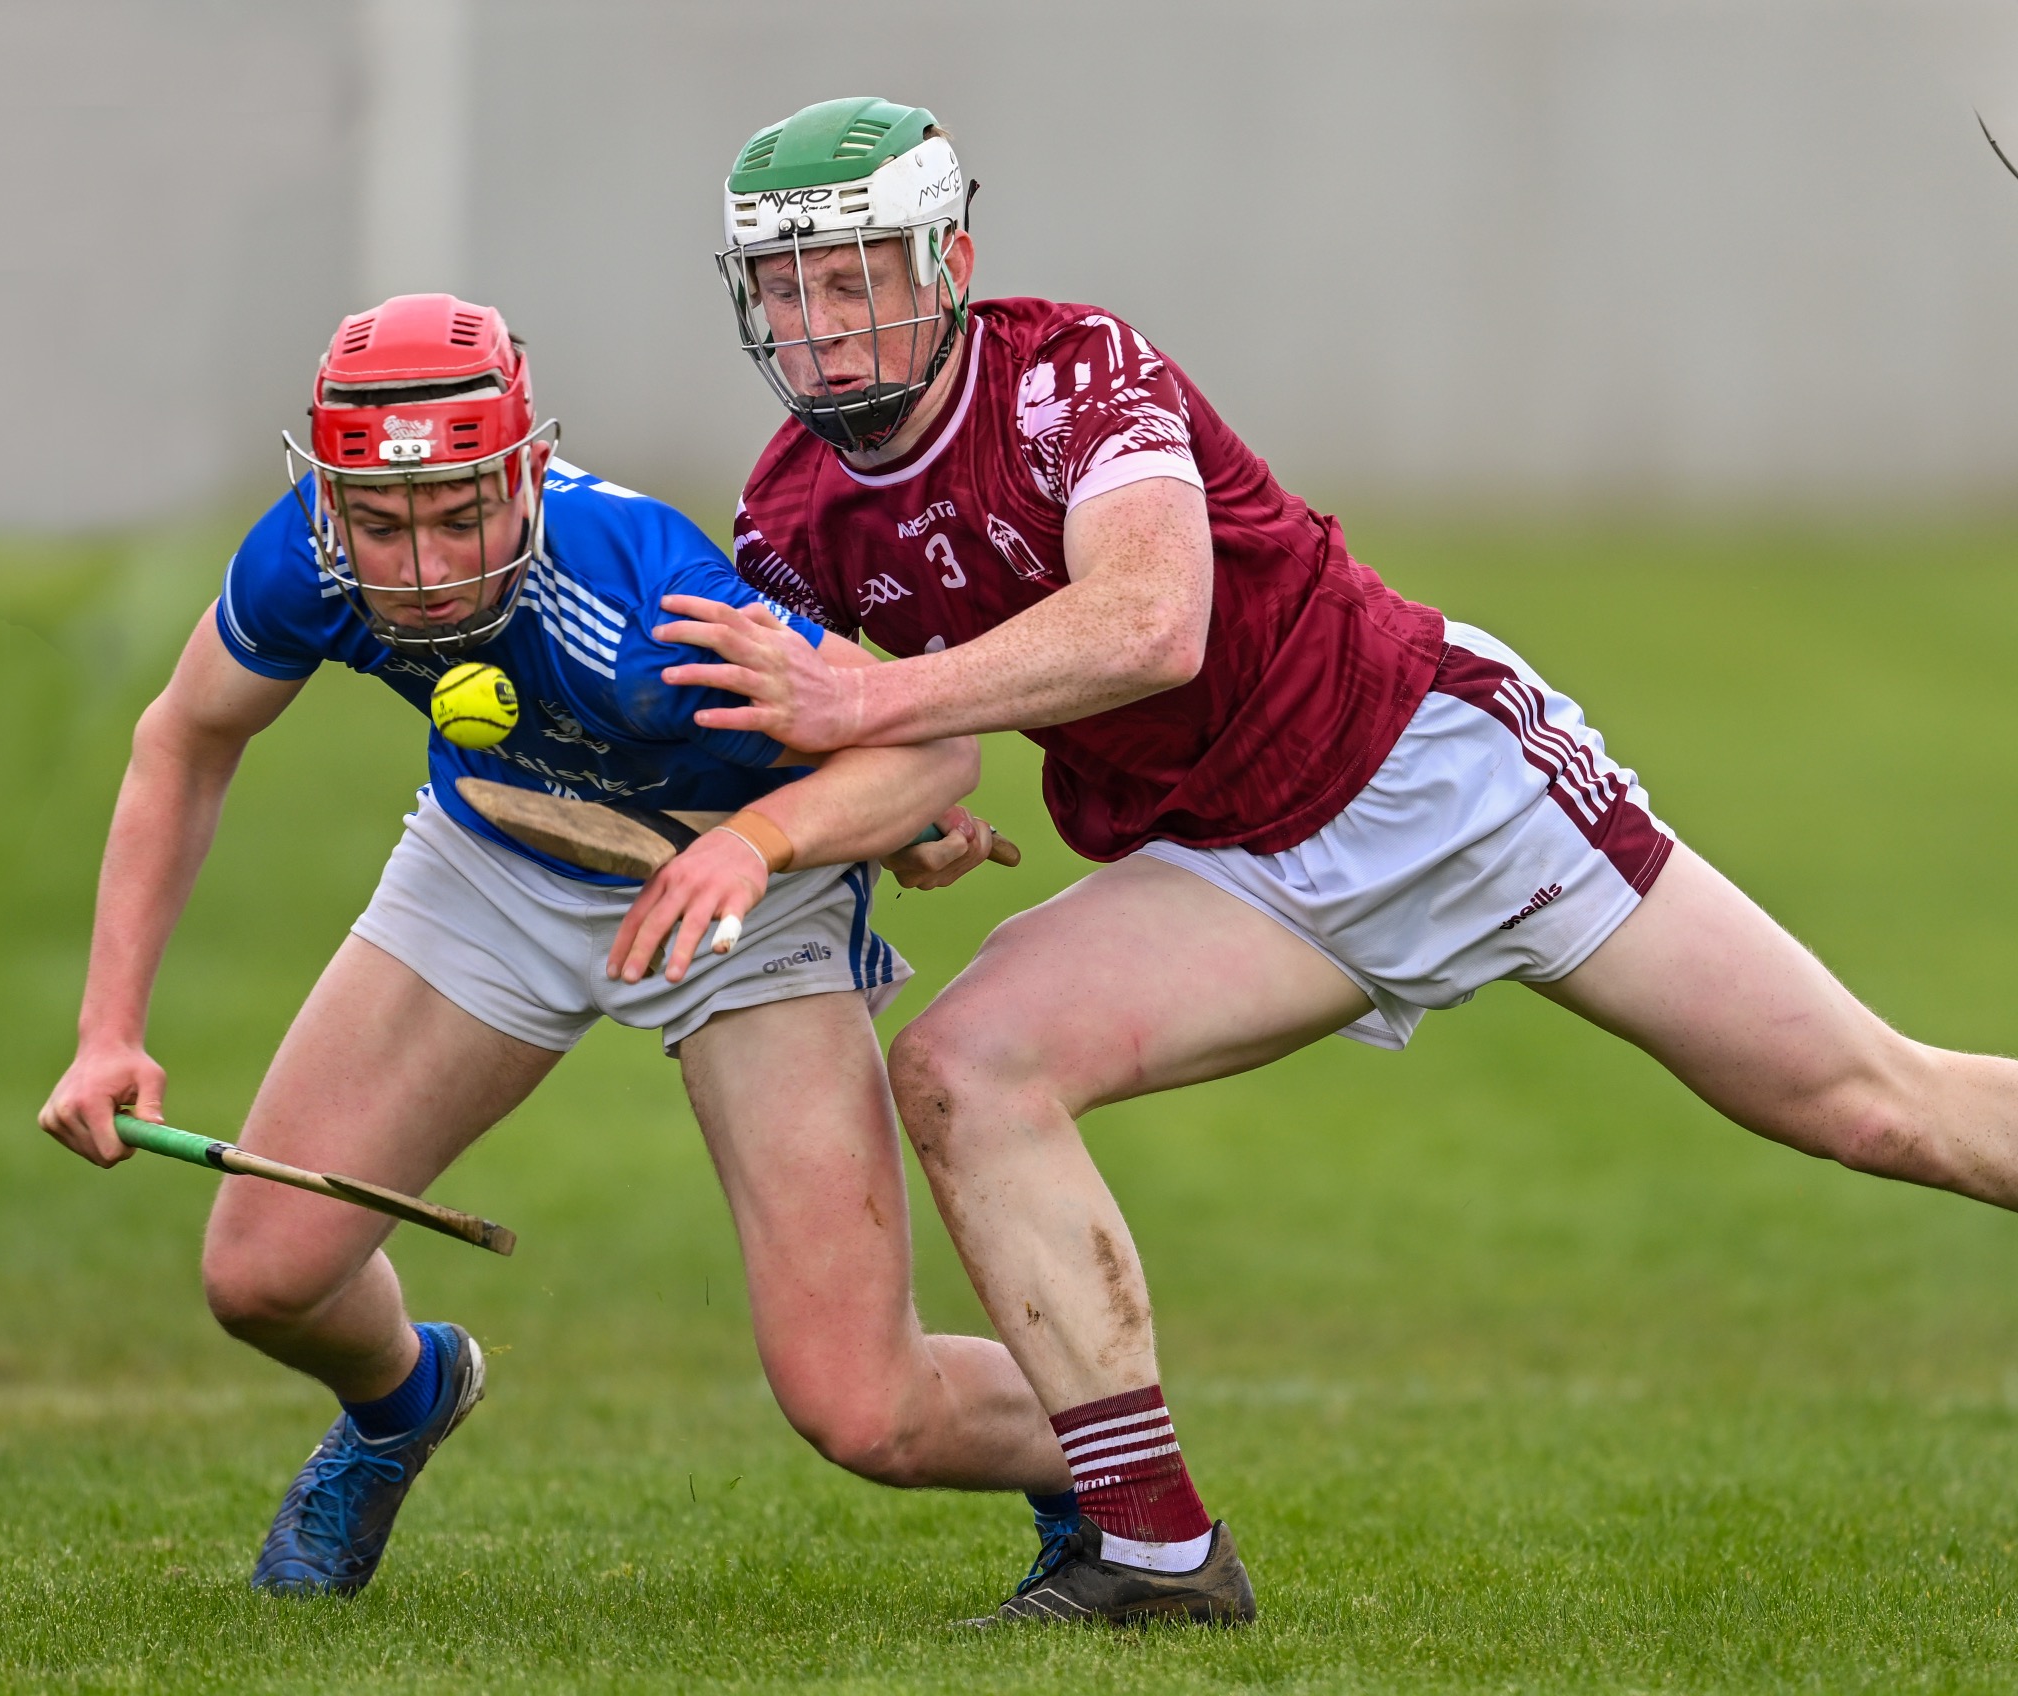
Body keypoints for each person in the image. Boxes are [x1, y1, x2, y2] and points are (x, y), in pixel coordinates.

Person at [669, 96, 2018, 1625]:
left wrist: (875, 697)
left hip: (1439, 779)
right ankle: (1159, 1559)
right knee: (966, 1065)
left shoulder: (1071, 374)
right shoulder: (789, 513)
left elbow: (1149, 620)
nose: (820, 328)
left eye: (853, 280)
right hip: (1235, 868)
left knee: (1867, 1105)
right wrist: (905, 809)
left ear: (950, 261)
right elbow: (884, 748)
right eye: (783, 289)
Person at [38, 291, 1075, 1599]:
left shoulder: (642, 590)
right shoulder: (305, 556)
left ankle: (1117, 1471)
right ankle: (402, 1401)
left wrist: (781, 837)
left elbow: (933, 750)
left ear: (529, 471)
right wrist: (108, 1031)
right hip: (497, 857)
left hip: (746, 893)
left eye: (463, 514)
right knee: (263, 1278)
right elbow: (184, 737)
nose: (421, 569)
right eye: (383, 523)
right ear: (330, 492)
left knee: (869, 1413)